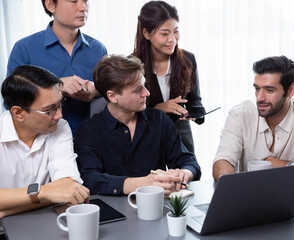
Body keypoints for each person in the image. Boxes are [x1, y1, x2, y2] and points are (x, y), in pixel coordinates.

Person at [74, 54, 201, 197]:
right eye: (137, 90)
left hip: (158, 207)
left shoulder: (159, 120)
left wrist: (185, 173)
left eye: (144, 85)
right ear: (112, 96)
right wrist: (143, 184)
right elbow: (89, 179)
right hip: (113, 211)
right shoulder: (89, 130)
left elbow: (189, 162)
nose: (146, 93)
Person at [0, 65, 89, 220]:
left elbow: (68, 188)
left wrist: (6, 209)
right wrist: (46, 193)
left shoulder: (60, 127)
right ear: (18, 112)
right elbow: (57, 193)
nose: (59, 115)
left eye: (60, 104)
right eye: (50, 110)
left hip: (46, 223)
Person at [6, 0, 107, 135]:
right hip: (41, 142)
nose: (83, 7)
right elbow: (11, 101)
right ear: (50, 5)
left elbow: (114, 95)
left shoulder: (98, 49)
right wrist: (56, 85)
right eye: (74, 1)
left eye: (85, 1)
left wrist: (96, 90)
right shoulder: (24, 48)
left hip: (90, 140)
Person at [133, 1, 205, 153]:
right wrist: (159, 109)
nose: (173, 39)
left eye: (176, 31)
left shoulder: (188, 59)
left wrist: (195, 113)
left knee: (188, 174)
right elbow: (128, 113)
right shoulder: (132, 65)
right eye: (165, 34)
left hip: (181, 138)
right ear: (146, 33)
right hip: (146, 139)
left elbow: (195, 101)